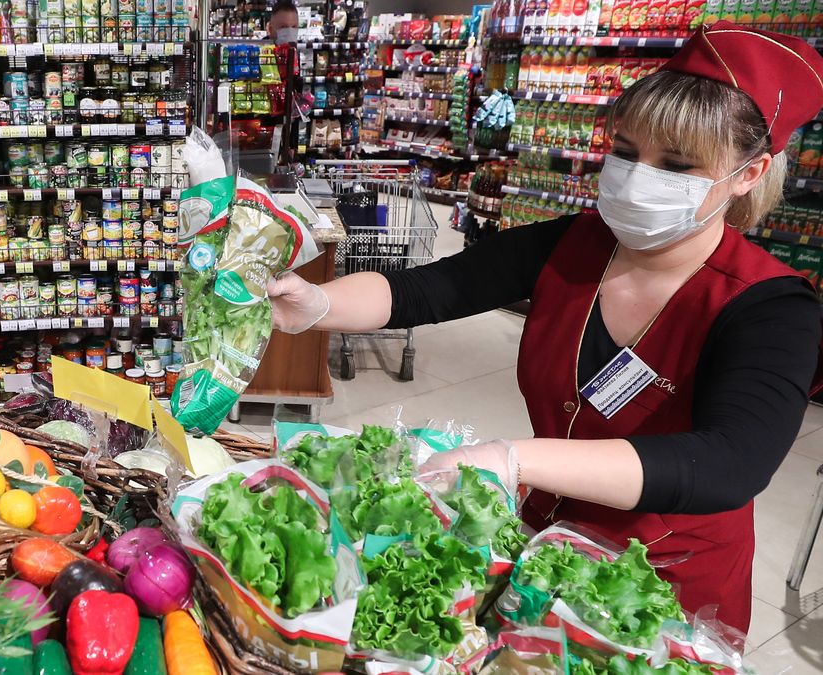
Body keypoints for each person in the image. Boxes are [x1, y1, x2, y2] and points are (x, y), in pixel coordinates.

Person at [268, 22, 823, 635]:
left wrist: (513, 458)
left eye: (677, 165)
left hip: (664, 587)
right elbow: (429, 289)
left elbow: (731, 461)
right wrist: (316, 303)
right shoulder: (576, 244)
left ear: (749, 174)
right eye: (627, 152)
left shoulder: (769, 305)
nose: (639, 177)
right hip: (544, 547)